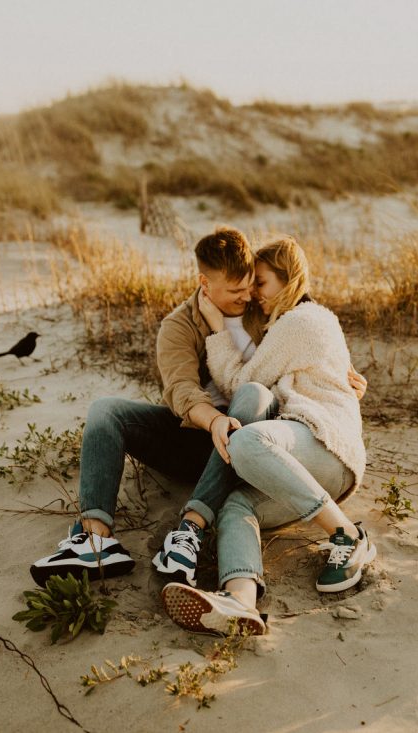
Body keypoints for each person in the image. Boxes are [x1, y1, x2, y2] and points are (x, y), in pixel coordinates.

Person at [29, 228, 366, 588]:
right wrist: (215, 420)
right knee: (105, 411)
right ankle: (96, 540)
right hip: (203, 437)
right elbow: (181, 391)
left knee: (252, 394)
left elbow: (308, 337)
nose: (247, 296)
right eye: (235, 291)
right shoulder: (178, 327)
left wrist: (345, 377)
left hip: (259, 439)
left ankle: (192, 527)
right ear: (205, 285)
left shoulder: (263, 308)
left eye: (250, 285)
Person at [161, 236, 374, 637]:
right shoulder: (295, 323)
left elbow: (242, 381)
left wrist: (214, 331)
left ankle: (348, 534)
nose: (254, 294)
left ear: (288, 279)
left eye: (261, 283)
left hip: (323, 442)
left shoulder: (300, 320)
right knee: (237, 505)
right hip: (311, 467)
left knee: (245, 441)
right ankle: (240, 600)